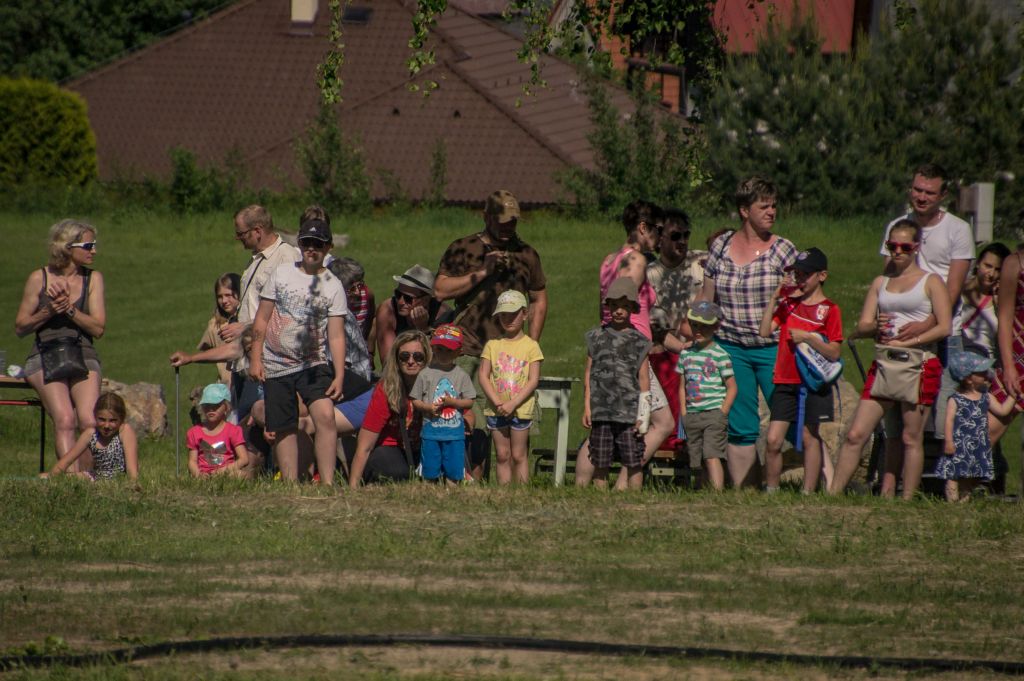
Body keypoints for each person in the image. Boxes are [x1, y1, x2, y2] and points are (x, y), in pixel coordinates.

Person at [830, 220, 951, 499]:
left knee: (910, 437)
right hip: (885, 362)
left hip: (919, 361)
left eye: (904, 247)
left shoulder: (931, 281)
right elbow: (862, 325)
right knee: (856, 433)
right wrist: (876, 326)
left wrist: (912, 339)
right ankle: (832, 493)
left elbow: (944, 326)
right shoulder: (881, 282)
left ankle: (906, 498)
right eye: (892, 245)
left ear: (916, 247)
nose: (897, 251)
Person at [698, 176, 798, 487]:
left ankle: (821, 486)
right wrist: (695, 335)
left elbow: (799, 301)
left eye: (774, 205)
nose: (772, 211)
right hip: (731, 348)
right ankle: (745, 492)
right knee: (741, 425)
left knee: (791, 418)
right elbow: (707, 298)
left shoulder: (783, 250)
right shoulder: (721, 247)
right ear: (744, 210)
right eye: (764, 206)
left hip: (773, 349)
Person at [879, 164, 973, 440]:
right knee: (900, 421)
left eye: (929, 193)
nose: (921, 197)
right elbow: (888, 278)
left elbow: (954, 288)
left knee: (944, 419)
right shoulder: (897, 227)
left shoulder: (958, 229)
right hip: (902, 332)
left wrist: (929, 323)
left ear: (942, 195)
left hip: (944, 334)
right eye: (917, 190)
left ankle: (948, 469)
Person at [249, 218, 346, 484]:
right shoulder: (281, 273)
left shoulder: (333, 285)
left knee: (325, 416)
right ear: (299, 244)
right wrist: (255, 358)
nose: (311, 248)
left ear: (328, 247)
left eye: (318, 244)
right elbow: (261, 319)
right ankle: (291, 484)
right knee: (283, 425)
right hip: (276, 363)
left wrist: (339, 375)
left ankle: (327, 482)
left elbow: (336, 335)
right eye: (306, 242)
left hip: (314, 363)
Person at [15, 219, 107, 472]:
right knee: (65, 418)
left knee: (89, 420)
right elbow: (20, 327)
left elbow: (98, 328)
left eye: (94, 245)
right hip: (44, 353)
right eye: (88, 246)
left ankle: (87, 478)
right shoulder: (39, 278)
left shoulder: (93, 279)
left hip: (83, 352)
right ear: (67, 247)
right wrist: (48, 311)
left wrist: (69, 310)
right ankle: (70, 478)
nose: (94, 251)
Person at [758, 248, 843, 493]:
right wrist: (774, 299)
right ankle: (771, 490)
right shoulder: (789, 305)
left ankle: (808, 492)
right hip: (785, 380)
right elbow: (764, 331)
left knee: (809, 436)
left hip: (812, 383)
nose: (800, 279)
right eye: (797, 274)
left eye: (806, 274)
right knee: (773, 440)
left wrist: (808, 338)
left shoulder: (830, 309)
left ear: (822, 276)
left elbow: (834, 352)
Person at [583, 277, 651, 490]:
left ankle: (634, 500)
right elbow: (589, 374)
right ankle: (600, 500)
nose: (618, 311)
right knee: (600, 460)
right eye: (614, 305)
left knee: (633, 461)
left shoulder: (640, 342)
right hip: (601, 411)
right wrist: (587, 407)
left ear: (632, 308)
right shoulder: (595, 337)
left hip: (629, 413)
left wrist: (644, 415)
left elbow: (644, 379)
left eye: (624, 306)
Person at [349, 330, 431, 487]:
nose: (411, 361)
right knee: (397, 472)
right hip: (390, 447)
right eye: (404, 356)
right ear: (396, 359)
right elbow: (365, 444)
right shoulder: (386, 389)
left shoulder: (436, 384)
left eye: (418, 356)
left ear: (426, 358)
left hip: (424, 446)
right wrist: (353, 487)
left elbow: (466, 418)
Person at [479, 290, 544, 485]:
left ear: (524, 314)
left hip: (521, 408)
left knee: (518, 454)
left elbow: (533, 379)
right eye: (503, 315)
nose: (508, 319)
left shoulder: (531, 346)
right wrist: (498, 402)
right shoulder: (492, 345)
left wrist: (513, 403)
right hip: (496, 409)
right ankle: (504, 492)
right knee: (502, 454)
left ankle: (521, 492)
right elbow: (483, 375)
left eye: (513, 314)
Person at [937, 351, 1014, 502]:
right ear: (968, 379)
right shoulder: (956, 399)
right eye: (981, 373)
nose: (987, 375)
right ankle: (952, 502)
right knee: (953, 474)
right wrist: (949, 441)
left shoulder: (986, 397)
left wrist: (1013, 396)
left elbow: (1003, 411)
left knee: (970, 474)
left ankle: (964, 501)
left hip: (978, 444)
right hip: (959, 443)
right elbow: (949, 421)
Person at [676, 301, 735, 491]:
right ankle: (701, 490)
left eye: (705, 326)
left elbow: (732, 387)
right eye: (695, 325)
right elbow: (682, 386)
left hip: (713, 413)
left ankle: (717, 493)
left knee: (712, 454)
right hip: (692, 414)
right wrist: (684, 413)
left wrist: (722, 412)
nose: (698, 330)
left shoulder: (720, 354)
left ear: (715, 327)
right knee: (697, 458)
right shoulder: (685, 354)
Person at [410, 325, 476, 484]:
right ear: (432, 348)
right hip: (431, 432)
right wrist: (427, 407)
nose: (443, 354)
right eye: (439, 349)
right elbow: (415, 399)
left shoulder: (461, 375)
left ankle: (451, 492)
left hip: (454, 433)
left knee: (454, 471)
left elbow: (470, 401)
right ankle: (430, 490)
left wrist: (454, 402)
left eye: (449, 350)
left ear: (459, 351)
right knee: (430, 470)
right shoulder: (425, 374)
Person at [41, 393, 137, 482]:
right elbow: (66, 461)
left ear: (121, 419)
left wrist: (132, 484)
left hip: (118, 479)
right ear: (95, 416)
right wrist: (52, 477)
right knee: (43, 477)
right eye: (102, 419)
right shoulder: (91, 434)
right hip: (96, 477)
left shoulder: (124, 431)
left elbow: (132, 472)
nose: (106, 425)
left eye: (113, 420)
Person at [375, 265, 454, 362]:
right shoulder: (387, 310)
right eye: (398, 294)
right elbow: (388, 361)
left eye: (408, 298)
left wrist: (423, 330)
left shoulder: (443, 316)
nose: (400, 302)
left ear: (426, 300)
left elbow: (441, 361)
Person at [646, 207, 704, 335]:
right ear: (659, 238)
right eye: (675, 236)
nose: (682, 241)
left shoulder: (703, 262)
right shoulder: (649, 276)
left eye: (686, 235)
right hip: (670, 344)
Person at [186, 383, 252, 478]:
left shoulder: (233, 430)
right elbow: (192, 461)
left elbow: (244, 459)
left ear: (226, 407)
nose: (211, 409)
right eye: (207, 405)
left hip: (226, 472)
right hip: (203, 474)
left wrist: (222, 471)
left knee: (243, 475)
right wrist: (199, 475)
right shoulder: (194, 432)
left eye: (216, 405)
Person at [961, 243, 1009, 358]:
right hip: (956, 355)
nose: (991, 274)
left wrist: (999, 306)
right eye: (988, 266)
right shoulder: (958, 289)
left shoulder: (1003, 300)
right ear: (978, 263)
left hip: (985, 361)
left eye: (998, 270)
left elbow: (1007, 339)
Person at [196, 273, 241, 386]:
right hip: (225, 385)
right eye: (220, 296)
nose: (224, 301)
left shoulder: (248, 320)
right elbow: (205, 346)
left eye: (228, 295)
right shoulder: (215, 324)